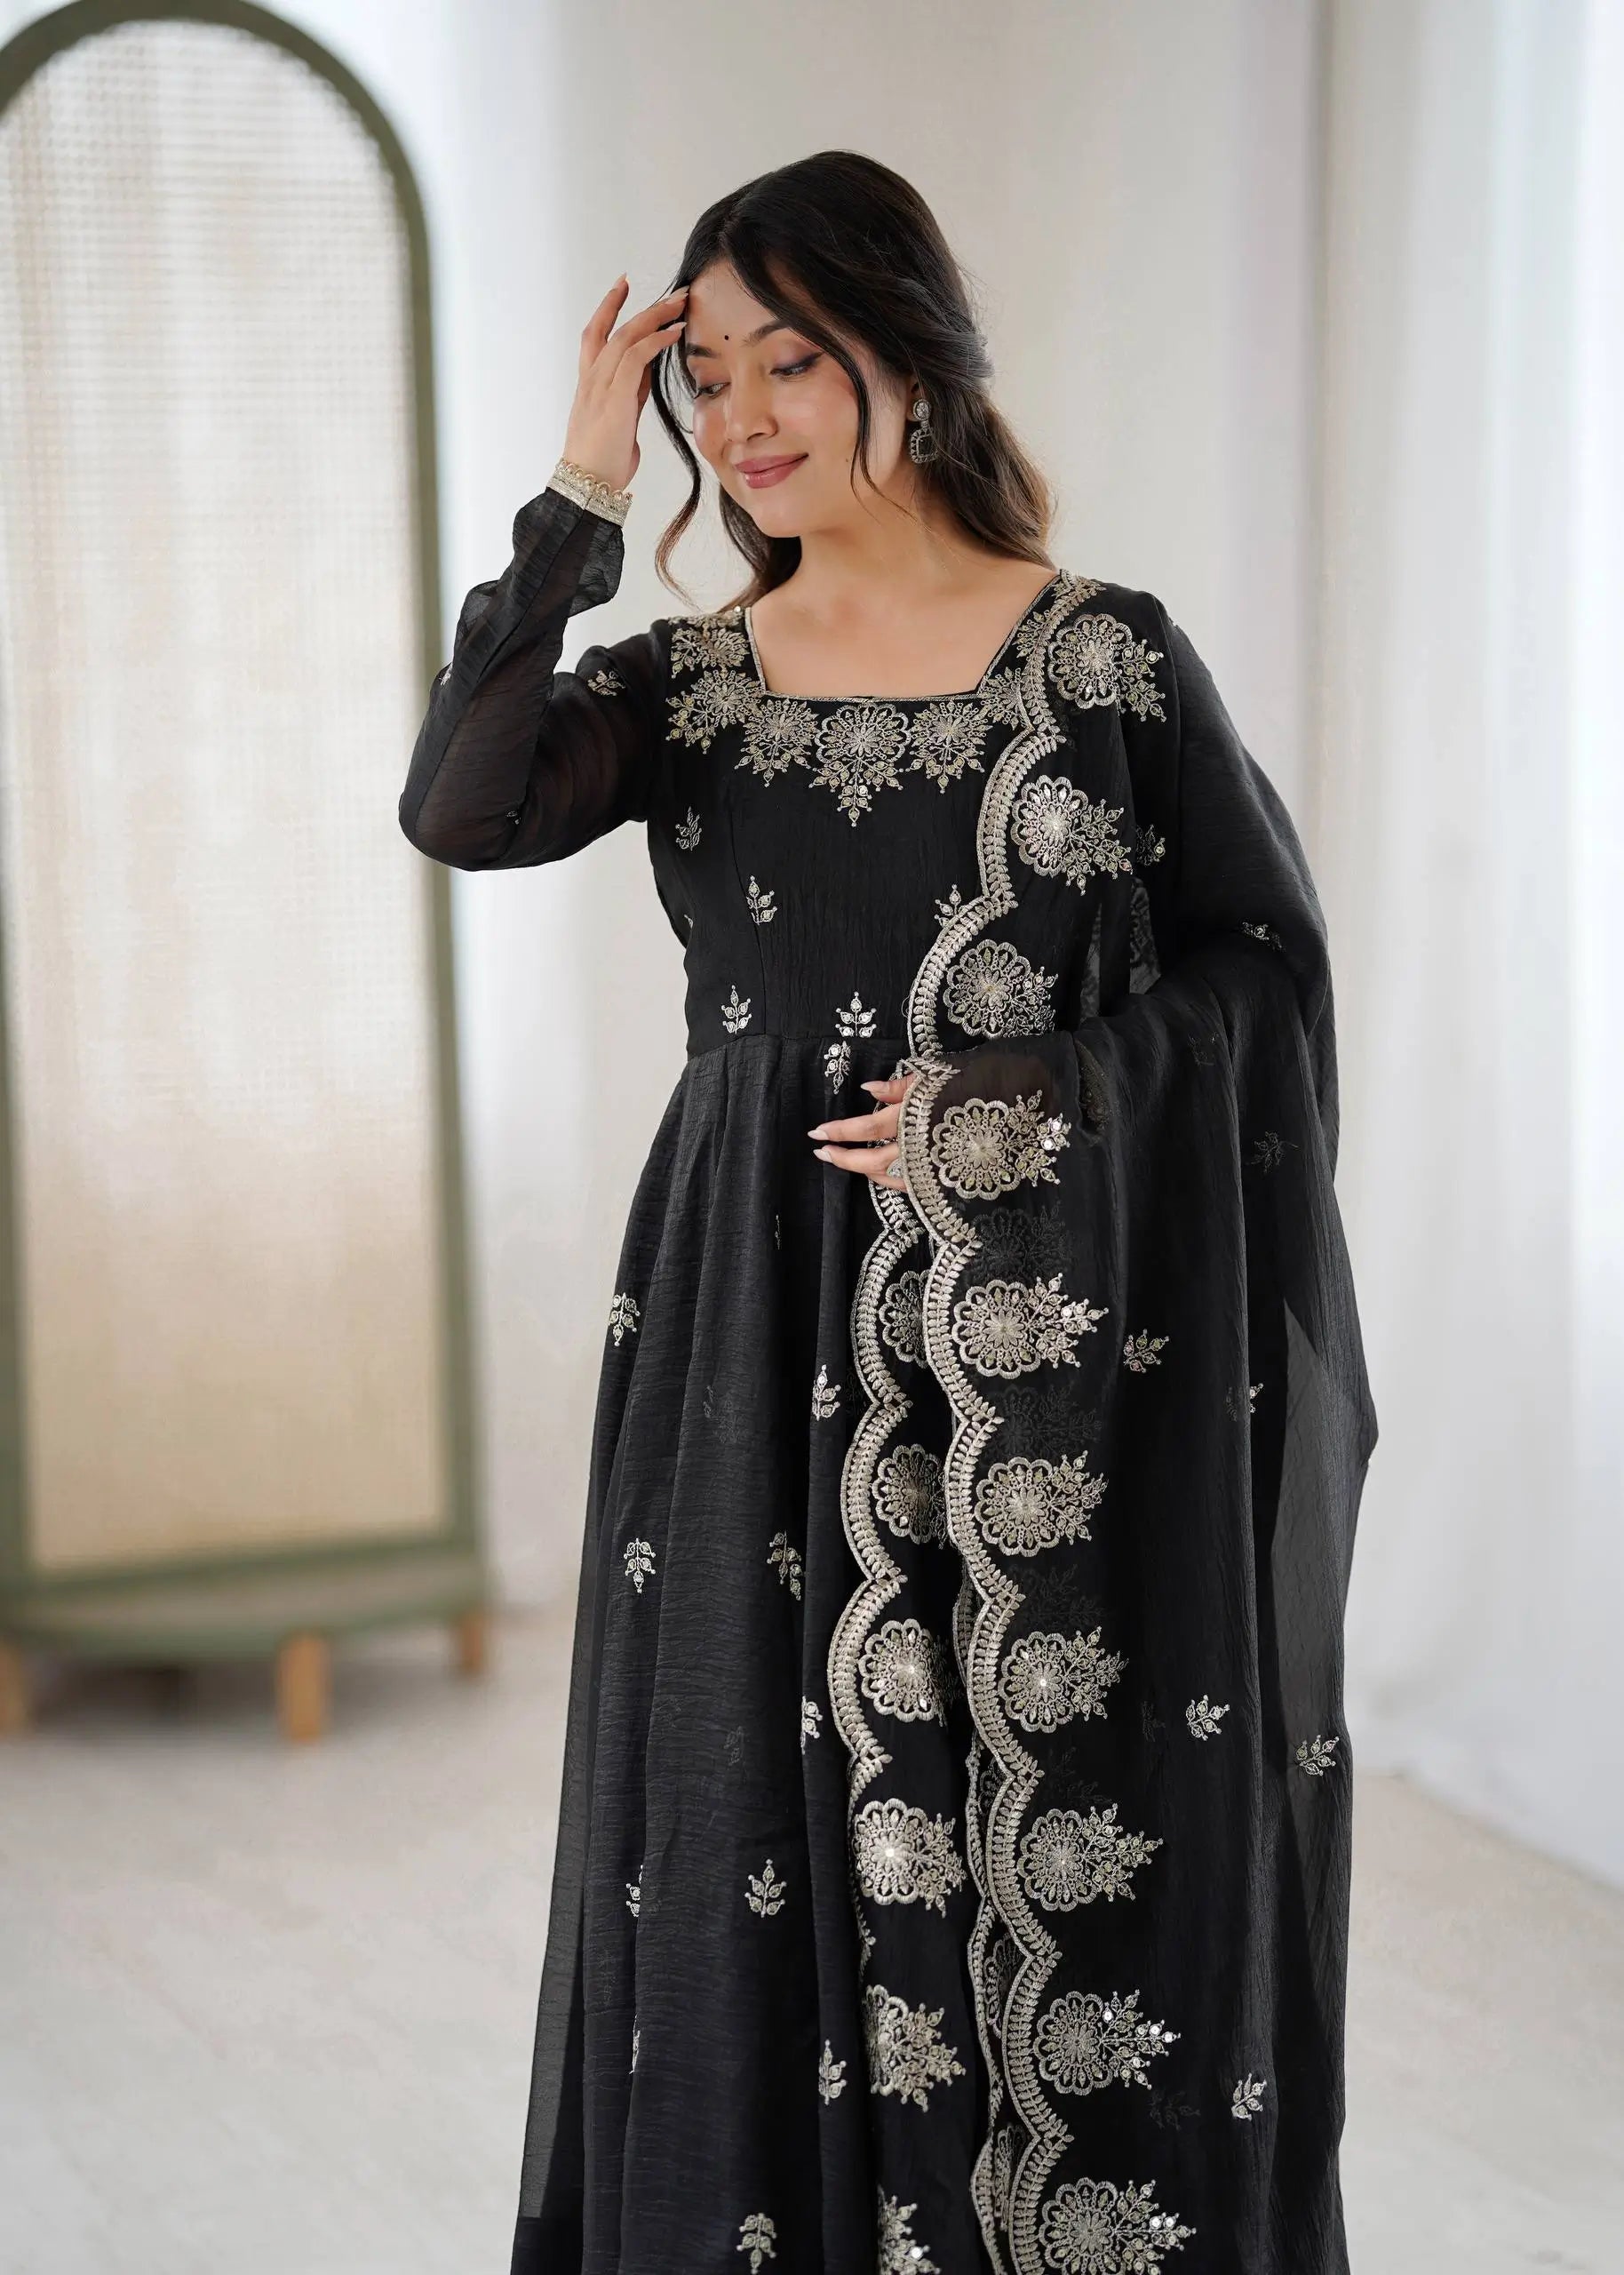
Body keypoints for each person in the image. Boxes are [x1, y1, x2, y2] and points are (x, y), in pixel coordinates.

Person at [400, 150, 1377, 2275]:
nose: (741, 417)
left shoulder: (1102, 663)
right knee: (750, 1824)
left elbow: (1259, 970)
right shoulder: (691, 681)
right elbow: (459, 805)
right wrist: (576, 489)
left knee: (1061, 1823)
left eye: (792, 361)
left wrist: (1024, 1106)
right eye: (707, 378)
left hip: (1045, 1359)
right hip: (753, 1343)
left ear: (905, 362)